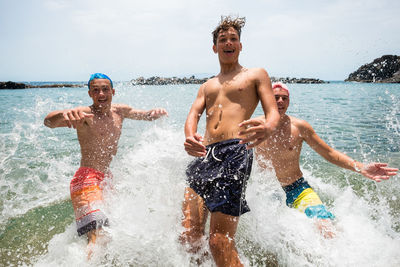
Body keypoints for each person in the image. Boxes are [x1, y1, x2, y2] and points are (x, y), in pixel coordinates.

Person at [181, 16, 280, 267]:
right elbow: (193, 114)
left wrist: (268, 127)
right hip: (205, 153)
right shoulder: (207, 85)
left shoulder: (255, 75)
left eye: (233, 39)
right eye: (222, 39)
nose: (228, 42)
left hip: (235, 152)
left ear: (240, 45)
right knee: (189, 237)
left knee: (219, 242)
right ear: (214, 47)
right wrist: (190, 135)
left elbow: (273, 113)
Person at [44, 73, 168, 257]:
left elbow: (144, 115)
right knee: (98, 236)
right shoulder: (84, 114)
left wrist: (154, 113)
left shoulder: (120, 111)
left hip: (106, 180)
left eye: (105, 89)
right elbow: (49, 122)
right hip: (86, 180)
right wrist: (64, 114)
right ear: (89, 94)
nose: (101, 94)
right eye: (96, 90)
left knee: (110, 234)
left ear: (113, 91)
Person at [255, 82, 398, 238]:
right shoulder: (254, 126)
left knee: (326, 228)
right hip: (267, 190)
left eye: (285, 98)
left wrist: (360, 167)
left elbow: (329, 153)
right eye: (276, 97)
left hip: (297, 188)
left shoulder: (299, 127)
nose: (281, 101)